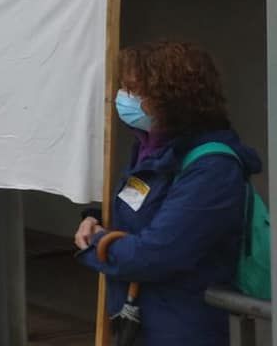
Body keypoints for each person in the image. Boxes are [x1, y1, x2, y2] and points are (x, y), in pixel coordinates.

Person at [74, 41, 261, 346]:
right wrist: (94, 220)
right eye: (123, 87)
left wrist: (96, 243)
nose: (123, 98)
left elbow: (154, 255)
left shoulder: (213, 167)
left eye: (134, 90)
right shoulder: (151, 148)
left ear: (173, 98)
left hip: (181, 327)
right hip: (143, 319)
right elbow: (139, 214)